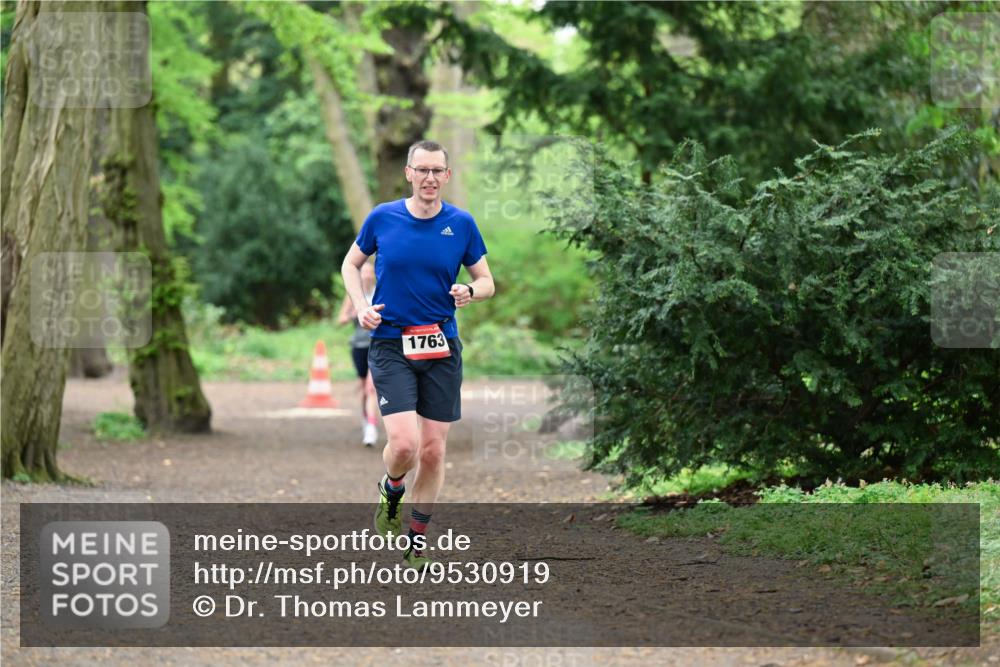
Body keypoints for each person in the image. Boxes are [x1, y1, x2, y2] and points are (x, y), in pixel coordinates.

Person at [340, 139, 494, 570]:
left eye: (436, 171)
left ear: (447, 176)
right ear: (408, 173)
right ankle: (391, 489)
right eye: (421, 170)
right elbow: (350, 264)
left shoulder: (460, 224)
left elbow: (487, 281)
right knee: (405, 445)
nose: (429, 178)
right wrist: (361, 306)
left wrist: (470, 290)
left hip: (441, 345)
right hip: (391, 342)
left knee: (433, 451)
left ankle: (416, 541)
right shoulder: (382, 217)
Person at [337, 261, 378, 447]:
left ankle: (371, 427)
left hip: (378, 345)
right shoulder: (353, 296)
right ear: (359, 276)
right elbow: (341, 319)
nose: (367, 276)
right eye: (364, 273)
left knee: (371, 387)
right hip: (359, 347)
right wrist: (352, 315)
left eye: (370, 272)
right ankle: (366, 418)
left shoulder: (380, 292)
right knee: (364, 389)